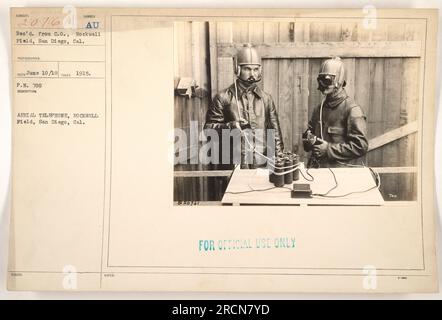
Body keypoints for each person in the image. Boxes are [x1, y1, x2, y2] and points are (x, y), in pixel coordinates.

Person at [204, 43, 284, 168]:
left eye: (256, 69)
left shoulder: (266, 99)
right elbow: (208, 130)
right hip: (232, 165)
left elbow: (275, 134)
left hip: (261, 164)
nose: (252, 74)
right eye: (247, 69)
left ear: (260, 70)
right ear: (238, 69)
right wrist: (231, 126)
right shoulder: (222, 97)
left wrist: (279, 160)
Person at [303, 56, 368, 168]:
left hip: (339, 173)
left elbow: (360, 146)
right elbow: (309, 136)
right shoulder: (319, 108)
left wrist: (328, 149)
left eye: (327, 80)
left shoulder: (352, 110)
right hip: (316, 170)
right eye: (320, 80)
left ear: (339, 80)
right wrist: (308, 138)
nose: (323, 85)